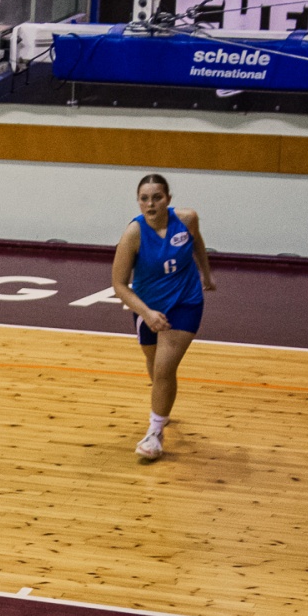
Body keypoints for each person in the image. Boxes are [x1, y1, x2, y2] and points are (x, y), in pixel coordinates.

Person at [111, 172, 216, 463]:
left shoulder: (187, 219)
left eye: (157, 197)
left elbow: (197, 242)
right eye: (144, 198)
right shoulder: (133, 234)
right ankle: (163, 409)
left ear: (168, 199)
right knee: (156, 366)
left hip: (186, 302)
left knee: (164, 368)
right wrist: (146, 313)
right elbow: (119, 284)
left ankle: (154, 433)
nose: (150, 203)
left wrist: (206, 274)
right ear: (138, 202)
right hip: (148, 308)